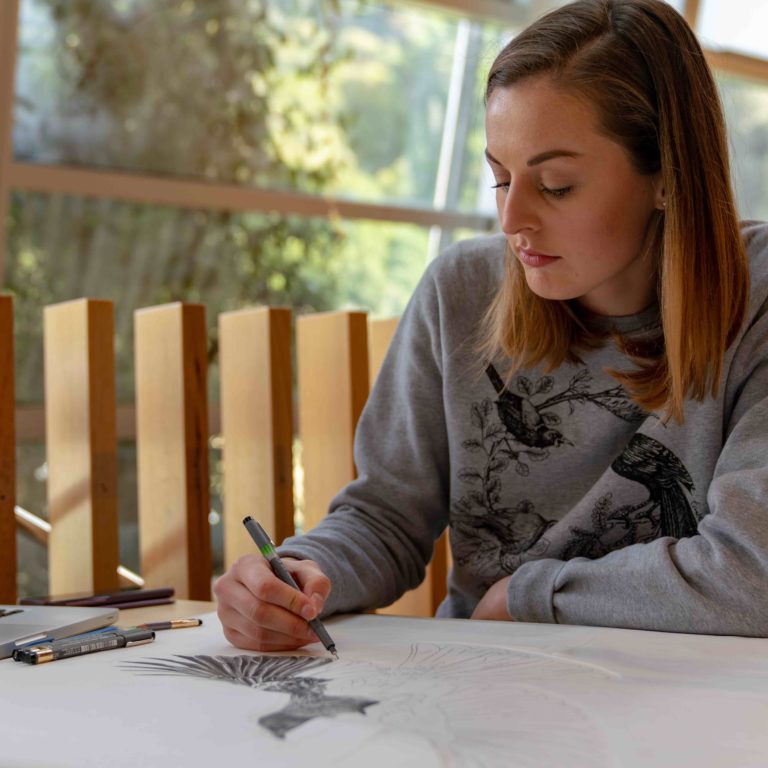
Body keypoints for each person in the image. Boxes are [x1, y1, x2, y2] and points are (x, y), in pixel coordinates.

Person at [214, 0, 768, 651]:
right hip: (488, 690)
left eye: (556, 185)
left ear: (667, 177)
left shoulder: (757, 301)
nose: (512, 222)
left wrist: (533, 599)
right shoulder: (461, 291)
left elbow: (752, 576)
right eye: (500, 178)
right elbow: (386, 517)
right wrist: (306, 574)